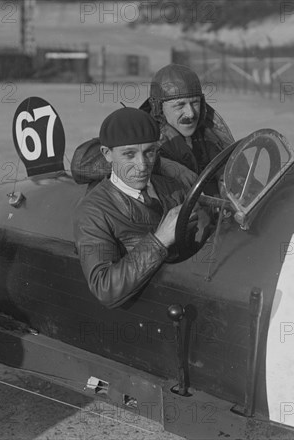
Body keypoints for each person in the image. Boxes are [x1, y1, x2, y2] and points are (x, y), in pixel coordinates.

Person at [73, 108, 187, 308]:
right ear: (107, 154)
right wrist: (160, 240)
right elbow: (104, 287)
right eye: (129, 154)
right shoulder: (93, 211)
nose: (142, 165)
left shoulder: (173, 189)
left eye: (149, 152)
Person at [142, 63, 235, 189]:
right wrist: (160, 164)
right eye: (179, 105)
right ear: (158, 108)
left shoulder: (213, 134)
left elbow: (241, 176)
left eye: (195, 103)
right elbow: (110, 166)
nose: (190, 113)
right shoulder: (142, 140)